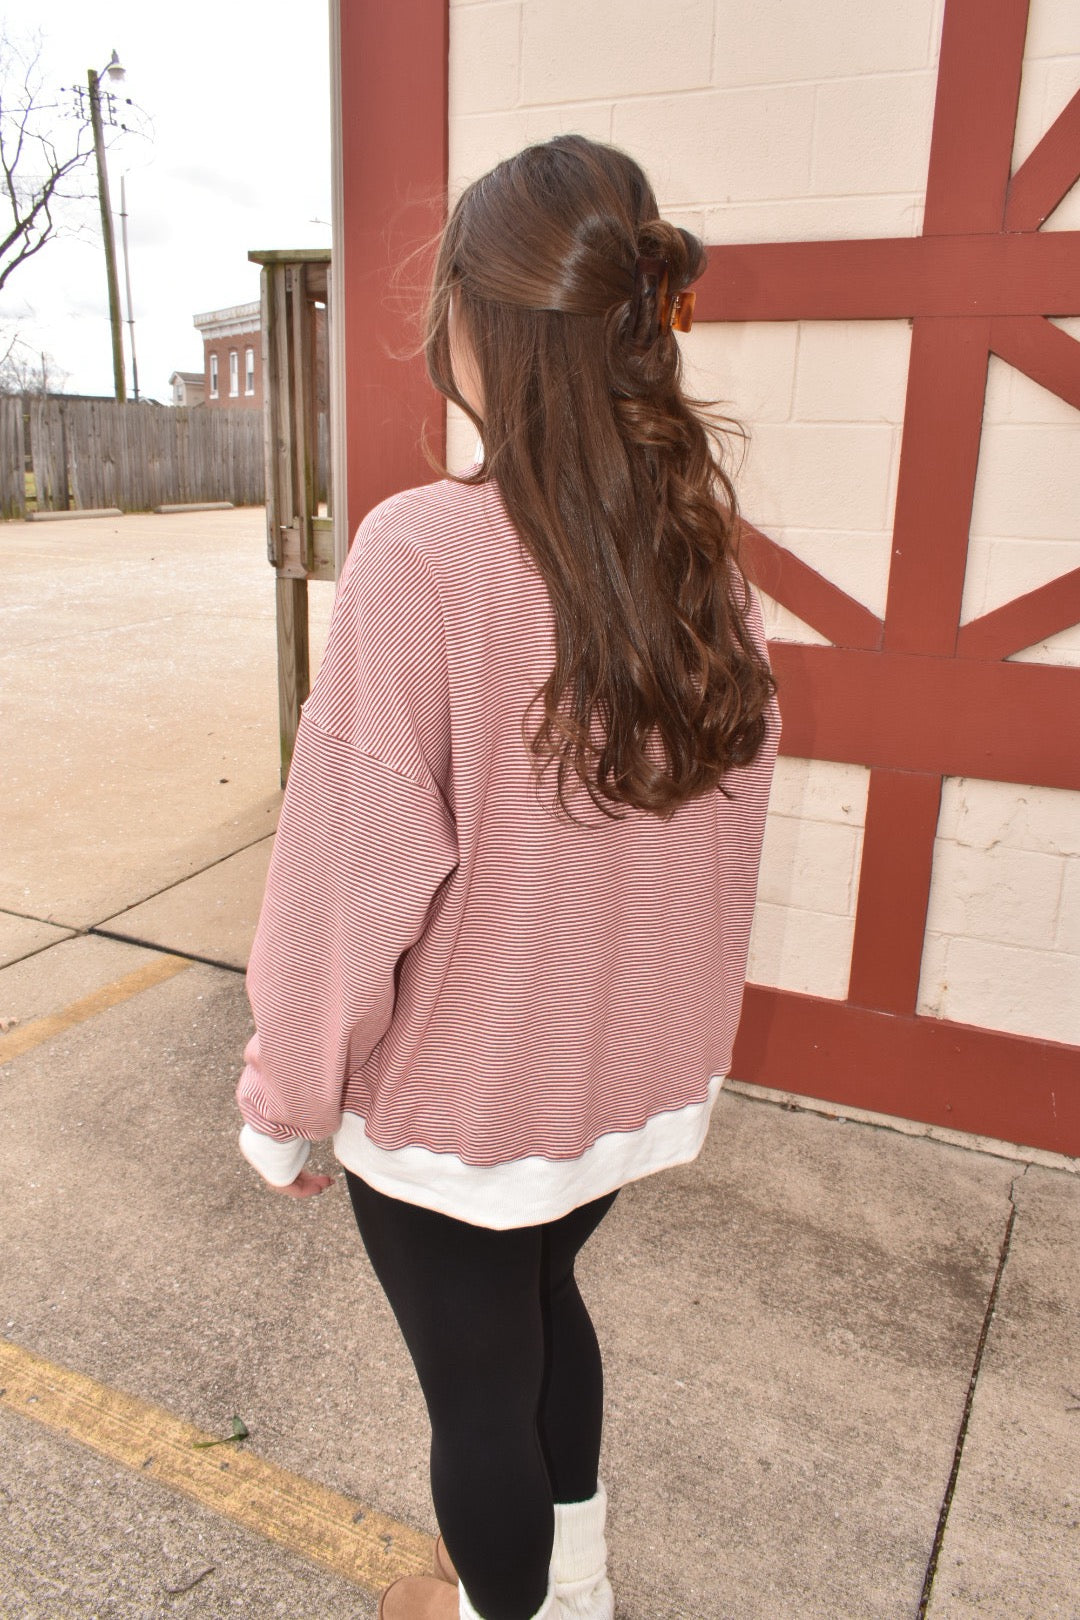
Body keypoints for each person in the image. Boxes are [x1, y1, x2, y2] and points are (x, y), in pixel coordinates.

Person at [236, 134, 781, 1620]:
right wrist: (667, 1054)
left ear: (480, 327)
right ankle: (570, 1589)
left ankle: (504, 1609)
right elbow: (724, 842)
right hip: (612, 1097)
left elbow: (347, 878)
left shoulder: (423, 553)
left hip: (464, 1112)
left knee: (478, 1394)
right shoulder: (699, 558)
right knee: (541, 1310)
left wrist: (284, 1101)